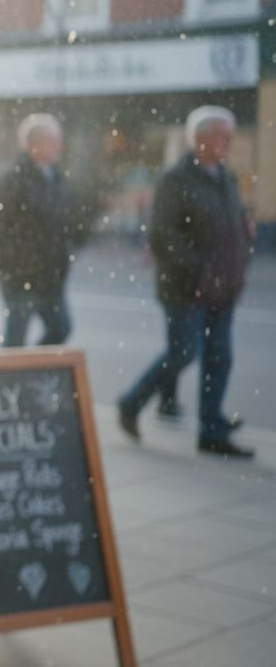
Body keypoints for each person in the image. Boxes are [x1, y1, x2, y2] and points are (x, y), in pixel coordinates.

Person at [118, 105, 254, 459]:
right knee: (184, 352)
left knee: (219, 359)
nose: (228, 142)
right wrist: (197, 272)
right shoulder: (175, 180)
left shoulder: (225, 177)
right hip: (186, 288)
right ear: (200, 139)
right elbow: (163, 236)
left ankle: (211, 430)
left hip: (223, 288)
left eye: (230, 135)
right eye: (222, 135)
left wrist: (241, 261)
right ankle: (131, 403)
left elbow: (236, 225)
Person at [0, 113, 75, 347]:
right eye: (52, 141)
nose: (58, 146)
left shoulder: (55, 176)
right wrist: (22, 258)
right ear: (34, 144)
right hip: (20, 275)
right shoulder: (13, 179)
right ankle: (18, 371)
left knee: (61, 328)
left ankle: (33, 367)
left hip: (50, 276)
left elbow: (62, 223)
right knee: (15, 338)